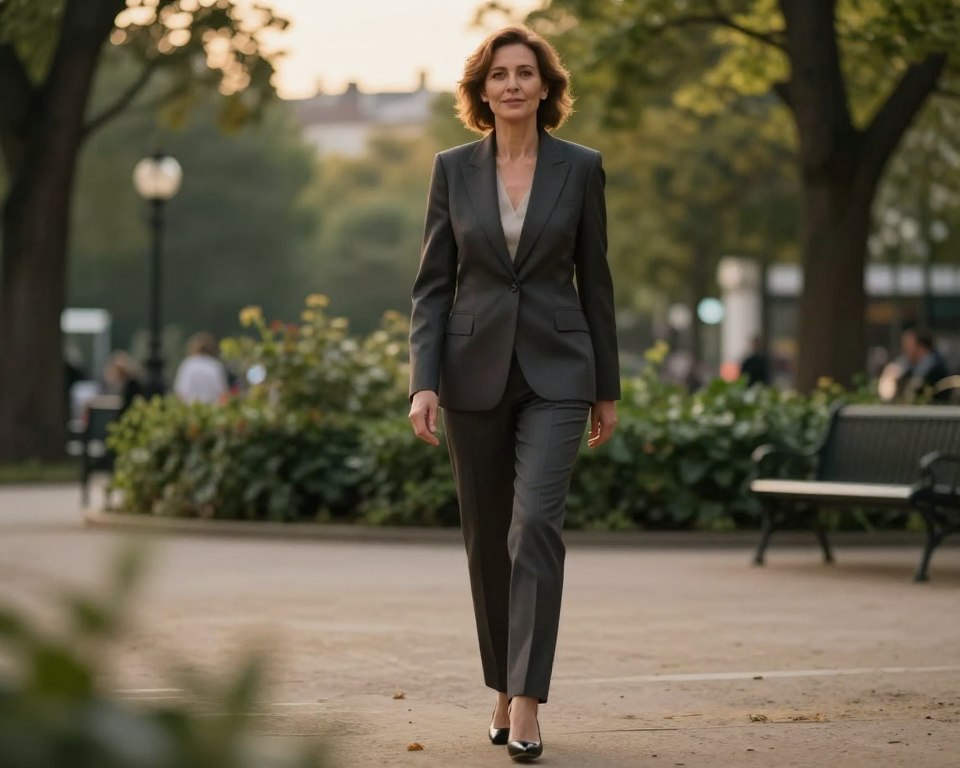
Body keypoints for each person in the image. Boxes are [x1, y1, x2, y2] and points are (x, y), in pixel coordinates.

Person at [407, 26, 620, 762]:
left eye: (526, 73)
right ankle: (501, 682)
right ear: (482, 90)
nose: (513, 85)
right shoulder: (452, 170)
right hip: (471, 374)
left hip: (560, 373)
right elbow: (433, 287)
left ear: (546, 87)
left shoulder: (581, 167)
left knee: (534, 528)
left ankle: (526, 700)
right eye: (500, 75)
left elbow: (597, 281)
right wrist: (423, 383)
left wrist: (607, 388)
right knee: (488, 540)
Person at [173, 332, 228, 405]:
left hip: (190, 407)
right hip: (212, 408)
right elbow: (223, 394)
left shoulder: (187, 364)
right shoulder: (215, 365)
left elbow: (180, 392)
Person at [900, 327, 950, 401]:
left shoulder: (932, 361)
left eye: (909, 345)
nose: (905, 348)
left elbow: (916, 384)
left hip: (940, 405)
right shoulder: (914, 361)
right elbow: (898, 366)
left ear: (921, 346)